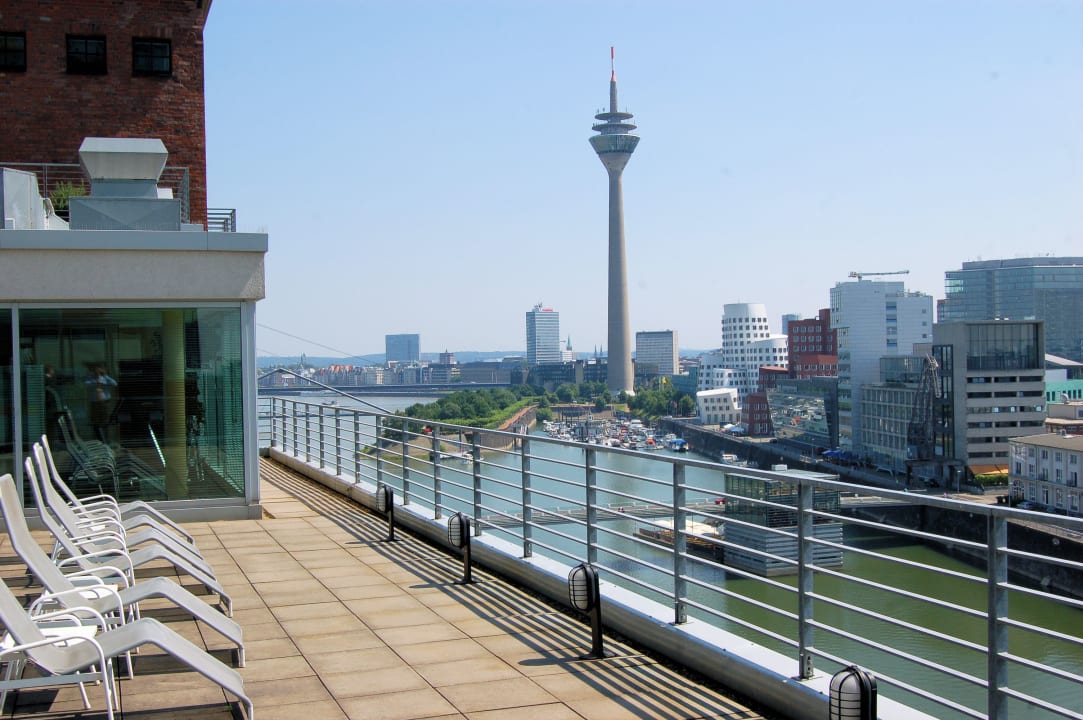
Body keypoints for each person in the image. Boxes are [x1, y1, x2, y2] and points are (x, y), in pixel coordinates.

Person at [85, 365, 118, 442]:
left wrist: (105, 376)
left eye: (99, 370)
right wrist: (97, 383)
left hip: (104, 402)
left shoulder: (105, 378)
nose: (97, 372)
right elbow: (87, 384)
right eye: (96, 370)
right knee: (95, 421)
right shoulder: (90, 378)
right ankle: (97, 438)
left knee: (105, 420)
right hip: (95, 402)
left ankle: (106, 438)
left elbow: (114, 383)